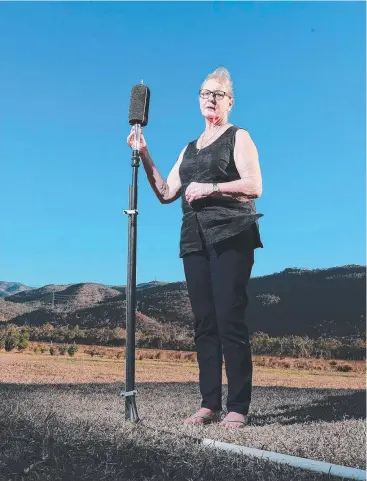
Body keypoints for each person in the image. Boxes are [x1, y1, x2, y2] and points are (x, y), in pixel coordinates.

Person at [127, 67, 263, 429]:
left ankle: (238, 406)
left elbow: (254, 185)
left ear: (230, 101)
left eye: (217, 94)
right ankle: (209, 404)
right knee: (204, 323)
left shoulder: (239, 136)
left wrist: (211, 189)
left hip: (232, 234)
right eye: (205, 92)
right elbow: (166, 192)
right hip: (194, 240)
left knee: (228, 318)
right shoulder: (188, 150)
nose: (210, 98)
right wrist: (145, 152)